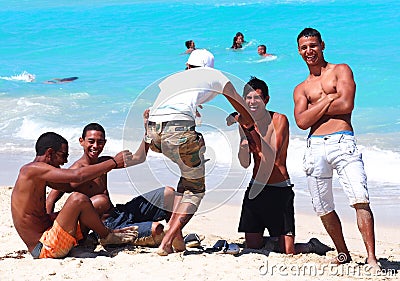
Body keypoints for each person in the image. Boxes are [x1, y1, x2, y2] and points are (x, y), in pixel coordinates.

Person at [146, 48, 254, 255]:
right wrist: (243, 120)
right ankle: (167, 241)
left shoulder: (175, 78)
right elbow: (243, 110)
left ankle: (177, 239)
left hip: (153, 132)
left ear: (188, 65)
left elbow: (167, 106)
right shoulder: (215, 76)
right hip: (178, 132)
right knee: (196, 190)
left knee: (187, 179)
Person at [293, 27, 380, 269]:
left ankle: (371, 257)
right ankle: (343, 253)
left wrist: (316, 108)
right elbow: (301, 122)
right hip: (314, 147)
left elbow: (347, 103)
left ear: (322, 45)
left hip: (342, 140)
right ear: (299, 51)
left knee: (359, 199)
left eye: (313, 45)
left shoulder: (341, 70)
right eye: (304, 47)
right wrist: (330, 99)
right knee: (322, 206)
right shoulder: (301, 88)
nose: (309, 51)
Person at [226, 77, 332, 255]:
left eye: (257, 98)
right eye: (248, 98)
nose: (252, 102)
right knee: (252, 247)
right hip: (256, 190)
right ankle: (272, 240)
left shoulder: (279, 120)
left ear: (266, 100)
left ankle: (310, 245)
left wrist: (250, 128)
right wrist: (244, 146)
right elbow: (245, 163)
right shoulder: (244, 124)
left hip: (279, 190)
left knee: (288, 252)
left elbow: (271, 156)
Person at [45, 122, 176, 247]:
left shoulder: (104, 162)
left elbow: (139, 158)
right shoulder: (75, 172)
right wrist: (48, 231)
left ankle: (176, 236)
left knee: (168, 193)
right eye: (91, 141)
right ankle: (166, 237)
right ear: (81, 141)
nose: (95, 146)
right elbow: (51, 199)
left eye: (100, 142)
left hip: (120, 213)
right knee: (157, 229)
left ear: (105, 143)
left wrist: (148, 132)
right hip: (107, 226)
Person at [11, 132, 138, 259]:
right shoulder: (32, 170)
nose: (65, 161)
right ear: (50, 153)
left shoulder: (37, 173)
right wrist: (113, 162)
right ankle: (107, 236)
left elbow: (67, 188)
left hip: (47, 235)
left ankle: (89, 239)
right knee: (78, 199)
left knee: (100, 202)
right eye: (63, 155)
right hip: (44, 247)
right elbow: (78, 176)